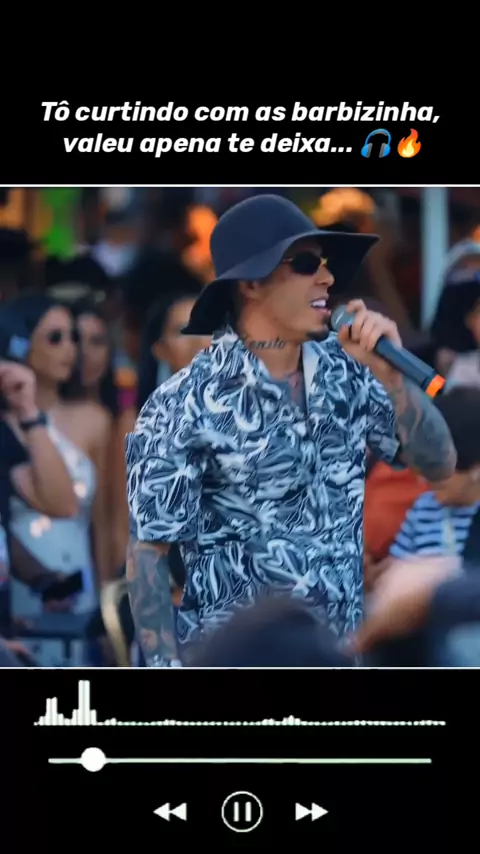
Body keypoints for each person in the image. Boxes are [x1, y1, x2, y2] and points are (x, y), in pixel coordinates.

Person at [125, 194, 456, 667]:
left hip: (340, 660)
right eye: (304, 264)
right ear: (251, 284)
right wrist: (164, 668)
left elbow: (439, 464)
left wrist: (393, 379)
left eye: (325, 264)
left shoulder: (352, 373)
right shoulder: (182, 403)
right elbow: (149, 555)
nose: (327, 278)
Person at [4, 295, 111, 665]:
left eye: (72, 337)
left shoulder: (94, 418)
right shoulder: (6, 427)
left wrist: (110, 602)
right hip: (17, 598)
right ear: (20, 345)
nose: (69, 348)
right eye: (54, 338)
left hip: (74, 585)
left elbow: (99, 522)